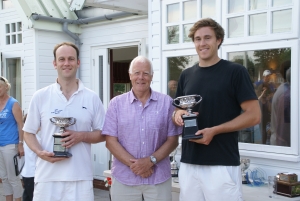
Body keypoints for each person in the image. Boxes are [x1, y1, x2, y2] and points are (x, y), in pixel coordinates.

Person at [172, 18, 261, 201]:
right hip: (189, 162)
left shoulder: (235, 72)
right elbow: (178, 110)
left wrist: (215, 130)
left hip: (221, 163)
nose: (202, 43)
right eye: (197, 39)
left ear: (218, 40)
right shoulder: (186, 75)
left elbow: (254, 116)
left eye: (207, 38)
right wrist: (178, 114)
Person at [23, 42, 106, 201]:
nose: (66, 63)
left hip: (80, 178)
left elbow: (103, 133)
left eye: (71, 59)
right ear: (55, 63)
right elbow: (28, 132)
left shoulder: (91, 97)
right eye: (61, 59)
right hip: (47, 177)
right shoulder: (40, 96)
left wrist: (81, 136)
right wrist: (40, 152)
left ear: (78, 62)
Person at [102, 56, 181, 201]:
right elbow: (110, 141)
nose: (141, 77)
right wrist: (137, 166)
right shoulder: (116, 104)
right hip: (124, 178)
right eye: (137, 73)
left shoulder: (166, 103)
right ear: (130, 75)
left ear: (152, 76)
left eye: (145, 73)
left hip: (158, 178)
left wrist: (150, 161)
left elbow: (173, 139)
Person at [0, 76, 24, 201]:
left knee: (13, 177)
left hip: (10, 144)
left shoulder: (13, 103)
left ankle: (18, 199)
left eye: (0, 86)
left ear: (6, 87)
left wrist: (20, 144)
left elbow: (21, 124)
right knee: (3, 177)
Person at [270, 60, 291, 146]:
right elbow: (285, 125)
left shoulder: (283, 89)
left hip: (279, 139)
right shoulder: (286, 93)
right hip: (282, 142)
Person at [21, 114, 41, 201]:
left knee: (27, 197)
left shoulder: (25, 139)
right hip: (33, 174)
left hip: (26, 173)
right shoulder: (36, 139)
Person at [254, 69, 276, 144]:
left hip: (267, 110)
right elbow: (253, 86)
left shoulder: (271, 85)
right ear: (263, 76)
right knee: (262, 130)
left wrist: (270, 96)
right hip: (261, 112)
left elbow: (274, 93)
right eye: (266, 76)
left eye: (269, 76)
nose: (267, 78)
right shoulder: (260, 83)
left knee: (267, 130)